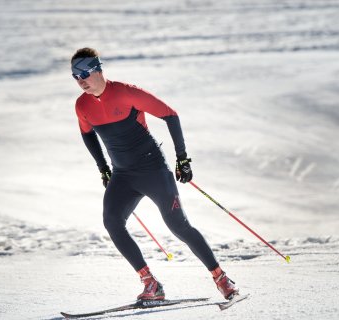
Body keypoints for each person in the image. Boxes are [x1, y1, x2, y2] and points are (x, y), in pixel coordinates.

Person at [71, 47, 239, 301]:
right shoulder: (82, 105)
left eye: (84, 72)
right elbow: (87, 134)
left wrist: (182, 158)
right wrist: (103, 168)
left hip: (153, 170)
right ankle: (151, 283)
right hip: (123, 175)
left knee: (178, 226)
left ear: (98, 69)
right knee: (112, 222)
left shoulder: (126, 92)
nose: (80, 80)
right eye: (75, 75)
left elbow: (170, 115)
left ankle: (221, 277)